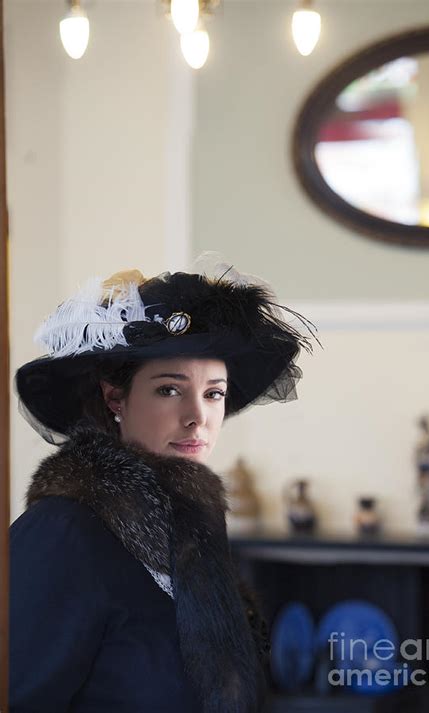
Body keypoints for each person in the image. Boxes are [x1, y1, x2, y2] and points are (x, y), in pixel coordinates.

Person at [10, 259, 319, 712]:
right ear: (115, 397)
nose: (198, 416)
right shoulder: (61, 532)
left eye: (214, 393)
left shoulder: (191, 525)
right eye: (169, 390)